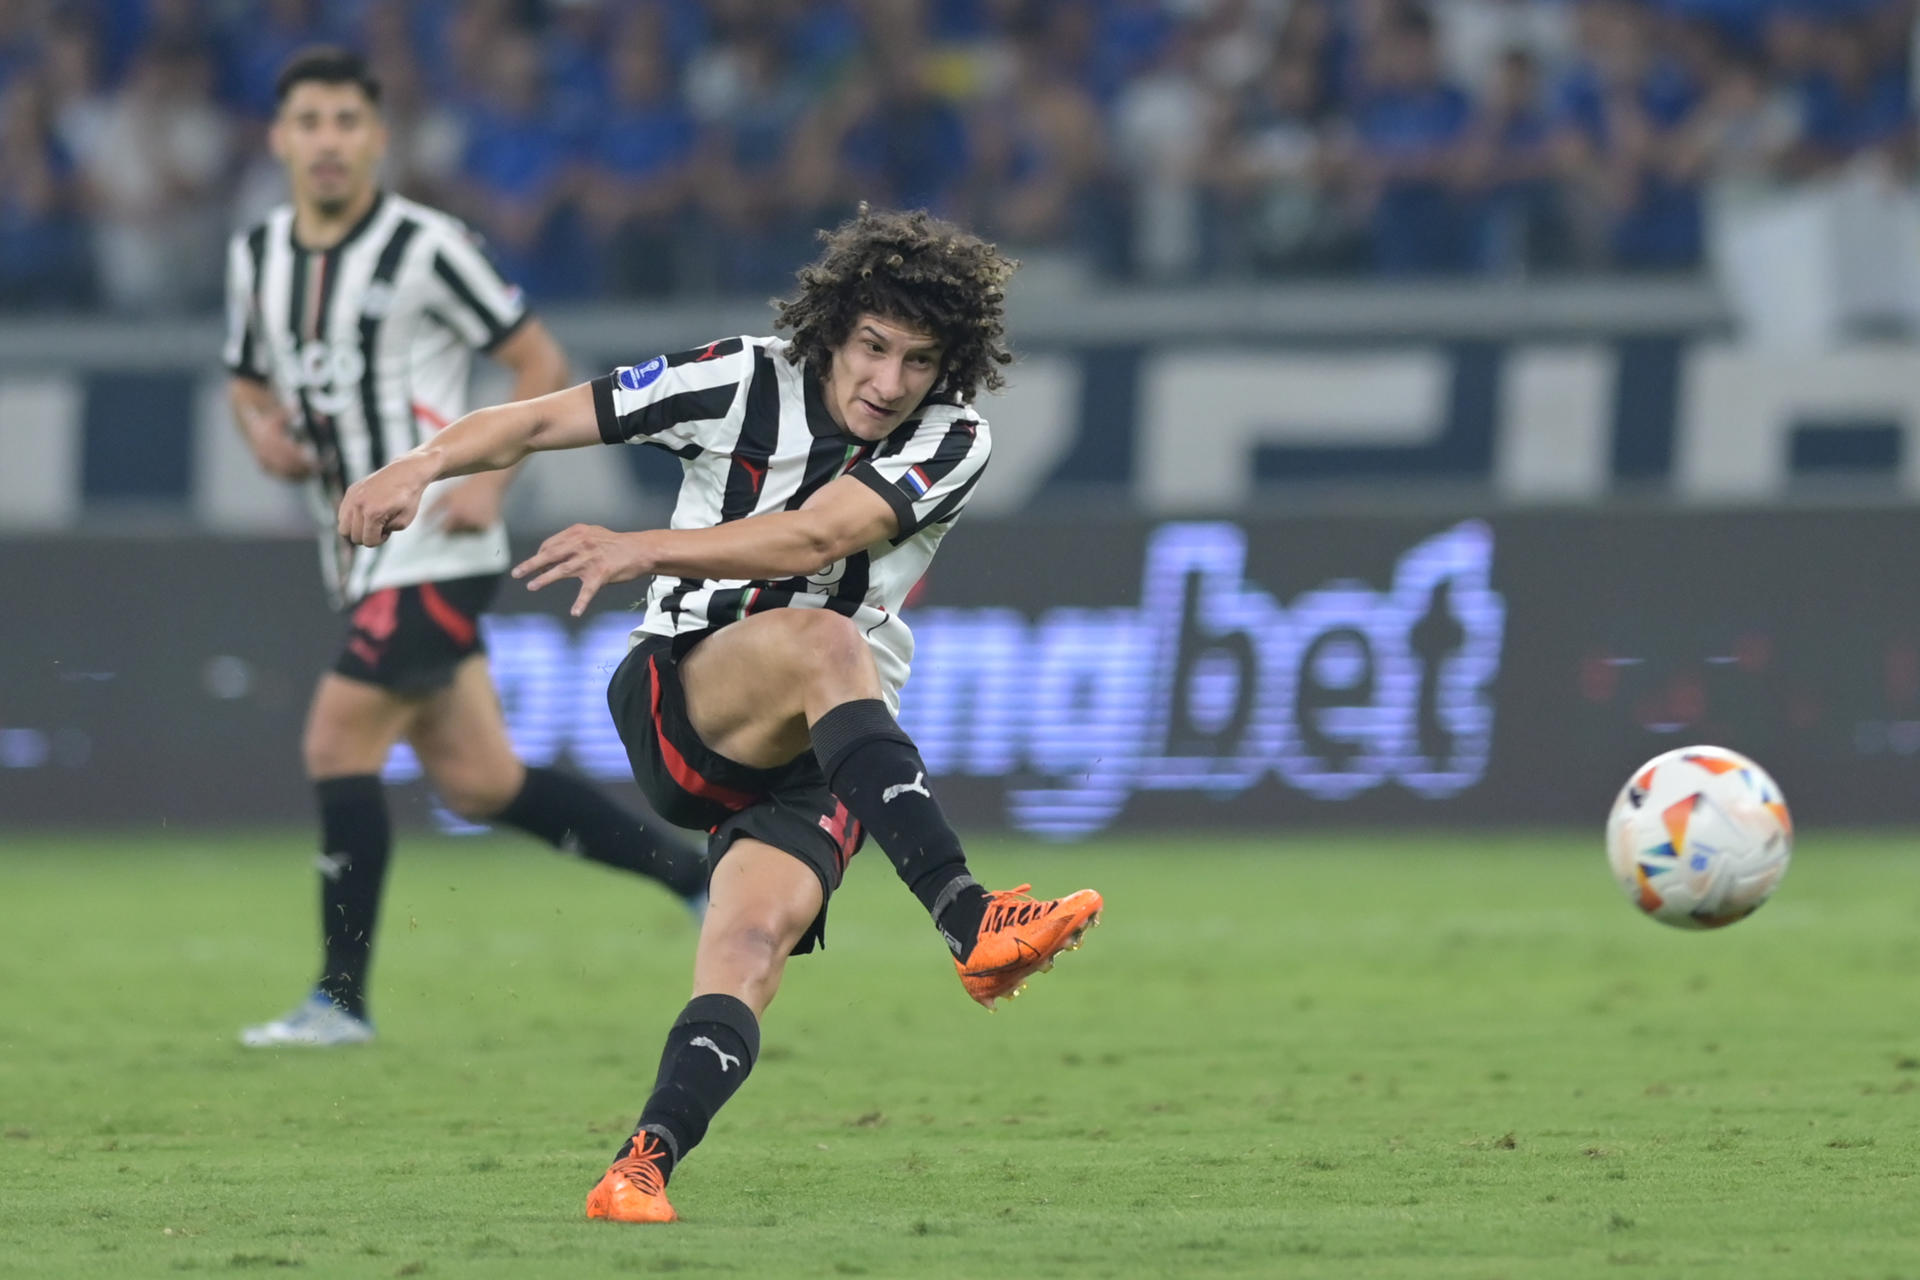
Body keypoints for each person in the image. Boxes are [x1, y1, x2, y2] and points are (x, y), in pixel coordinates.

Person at [336, 205, 1105, 1222]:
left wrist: (644, 545)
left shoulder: (954, 436)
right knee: (828, 640)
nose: (888, 382)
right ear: (832, 330)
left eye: (918, 361)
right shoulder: (738, 377)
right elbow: (537, 419)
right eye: (873, 346)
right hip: (686, 699)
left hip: (828, 748)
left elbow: (817, 535)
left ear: (948, 365)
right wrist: (420, 465)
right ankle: (970, 918)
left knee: (748, 949)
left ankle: (640, 1165)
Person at [223, 47, 707, 1048]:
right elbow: (246, 377)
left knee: (336, 742)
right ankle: (695, 878)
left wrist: (486, 484)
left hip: (437, 543)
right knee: (483, 782)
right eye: (309, 122)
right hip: (355, 554)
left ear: (376, 138)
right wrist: (259, 432)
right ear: (280, 139)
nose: (327, 141)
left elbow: (538, 358)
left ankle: (339, 1002)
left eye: (346, 122)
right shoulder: (257, 256)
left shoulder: (428, 246)